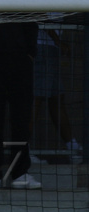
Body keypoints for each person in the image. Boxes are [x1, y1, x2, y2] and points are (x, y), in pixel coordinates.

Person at [0, 22, 42, 189]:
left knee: (21, 120)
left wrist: (29, 53)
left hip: (20, 60)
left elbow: (30, 20)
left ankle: (20, 173)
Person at [32, 27, 82, 164]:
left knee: (57, 98)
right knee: (36, 98)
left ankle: (72, 146)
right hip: (41, 46)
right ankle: (24, 151)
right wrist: (57, 40)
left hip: (50, 49)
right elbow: (40, 15)